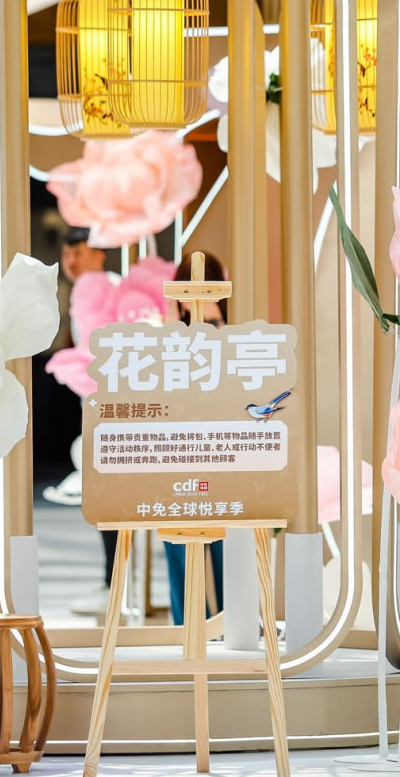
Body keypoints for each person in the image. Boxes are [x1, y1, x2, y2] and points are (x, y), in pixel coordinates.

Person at [57, 227, 121, 617]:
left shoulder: (111, 288)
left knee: (111, 502)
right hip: (99, 411)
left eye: (77, 252)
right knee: (104, 501)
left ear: (99, 253)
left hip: (117, 414)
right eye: (66, 253)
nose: (71, 261)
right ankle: (113, 584)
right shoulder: (82, 292)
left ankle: (116, 587)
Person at [163, 254, 228, 626]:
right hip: (178, 451)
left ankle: (231, 623)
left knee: (226, 541)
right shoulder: (168, 336)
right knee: (177, 540)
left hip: (221, 450)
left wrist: (216, 322)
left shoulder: (232, 333)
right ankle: (186, 624)